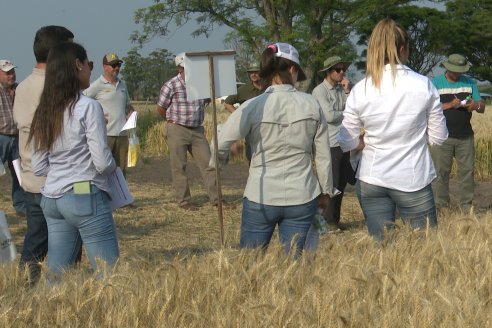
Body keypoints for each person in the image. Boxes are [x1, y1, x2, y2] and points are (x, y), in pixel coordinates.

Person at [212, 42, 338, 255]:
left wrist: (219, 161)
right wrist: (325, 192)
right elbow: (324, 156)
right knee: (294, 262)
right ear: (292, 69)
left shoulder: (252, 106)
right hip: (303, 194)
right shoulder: (311, 104)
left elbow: (221, 141)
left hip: (260, 195)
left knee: (250, 262)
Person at [338, 18, 448, 240]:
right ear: (402, 49)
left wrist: (364, 141)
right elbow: (439, 137)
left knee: (382, 248)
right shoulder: (423, 85)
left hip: (371, 177)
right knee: (423, 248)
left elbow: (346, 141)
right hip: (413, 178)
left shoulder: (361, 89)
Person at [28, 42, 119, 277]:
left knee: (57, 276)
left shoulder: (45, 109)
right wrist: (113, 166)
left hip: (52, 198)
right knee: (109, 274)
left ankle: (49, 313)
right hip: (84, 194)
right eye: (88, 64)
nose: (90, 70)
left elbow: (38, 166)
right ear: (77, 65)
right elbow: (101, 162)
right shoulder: (88, 106)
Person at [14, 25, 77, 283]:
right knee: (67, 239)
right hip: (54, 179)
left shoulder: (23, 86)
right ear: (58, 54)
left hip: (30, 177)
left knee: (36, 237)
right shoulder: (56, 89)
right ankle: (61, 286)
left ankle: (26, 284)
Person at [157, 52, 217, 210]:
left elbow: (207, 100)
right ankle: (184, 201)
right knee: (179, 166)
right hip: (177, 128)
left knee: (209, 163)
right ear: (179, 69)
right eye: (186, 67)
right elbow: (161, 107)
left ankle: (217, 198)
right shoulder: (171, 85)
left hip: (197, 130)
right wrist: (169, 121)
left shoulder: (200, 83)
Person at [430, 54, 485, 212]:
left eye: (460, 71)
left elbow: (482, 107)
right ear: (447, 68)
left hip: (465, 136)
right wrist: (450, 105)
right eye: (455, 71)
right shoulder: (435, 83)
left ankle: (466, 207)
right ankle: (442, 206)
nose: (458, 73)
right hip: (442, 137)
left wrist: (475, 105)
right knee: (441, 172)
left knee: (467, 173)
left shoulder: (470, 83)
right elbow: (429, 108)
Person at [312, 56, 353, 233]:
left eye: (343, 69)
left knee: (340, 185)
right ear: (328, 72)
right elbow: (329, 116)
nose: (342, 72)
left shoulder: (339, 90)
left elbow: (351, 107)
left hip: (342, 143)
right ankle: (323, 224)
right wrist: (346, 111)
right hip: (328, 144)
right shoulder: (319, 91)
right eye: (338, 70)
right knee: (329, 186)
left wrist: (346, 93)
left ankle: (334, 220)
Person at [84, 52, 134, 177]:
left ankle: (120, 196)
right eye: (113, 65)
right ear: (105, 67)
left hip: (122, 135)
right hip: (105, 135)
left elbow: (128, 106)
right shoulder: (96, 86)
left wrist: (131, 113)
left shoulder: (122, 85)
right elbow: (82, 102)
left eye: (118, 65)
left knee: (120, 172)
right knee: (103, 169)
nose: (117, 68)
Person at [0, 59, 25, 216]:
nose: (11, 75)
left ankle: (21, 206)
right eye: (7, 73)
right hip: (1, 137)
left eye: (12, 72)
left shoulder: (19, 89)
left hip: (17, 137)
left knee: (19, 174)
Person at [224, 62, 264, 162]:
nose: (253, 75)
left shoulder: (268, 87)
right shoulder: (243, 90)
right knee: (252, 155)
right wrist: (239, 115)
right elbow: (227, 103)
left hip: (268, 126)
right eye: (251, 73)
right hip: (251, 128)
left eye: (256, 72)